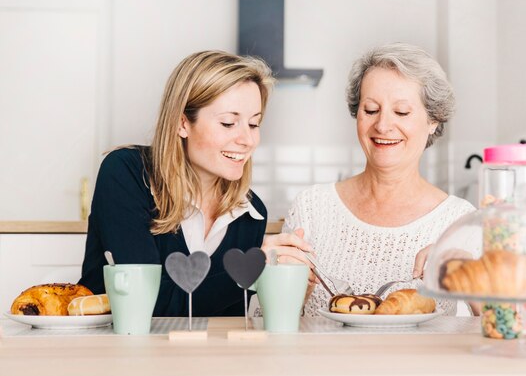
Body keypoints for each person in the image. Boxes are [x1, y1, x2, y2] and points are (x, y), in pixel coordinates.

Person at [262, 43, 475, 316]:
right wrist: (287, 294)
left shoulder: (459, 222)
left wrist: (467, 275)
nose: (383, 125)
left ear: (433, 120)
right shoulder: (312, 208)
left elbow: (497, 325)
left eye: (401, 112)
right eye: (371, 109)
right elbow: (269, 322)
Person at [79, 50, 275, 316]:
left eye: (254, 124)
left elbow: (225, 323)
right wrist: (252, 271)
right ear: (183, 123)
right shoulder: (126, 173)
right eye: (228, 123)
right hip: (112, 353)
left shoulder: (251, 212)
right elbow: (147, 302)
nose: (247, 140)